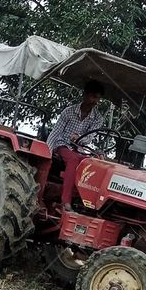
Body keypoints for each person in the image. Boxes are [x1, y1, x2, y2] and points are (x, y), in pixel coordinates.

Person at [47, 80, 108, 211]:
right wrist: (47, 151)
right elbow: (56, 132)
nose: (94, 101)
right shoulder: (68, 112)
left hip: (80, 149)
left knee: (93, 164)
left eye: (97, 98)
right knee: (73, 159)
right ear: (85, 95)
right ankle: (65, 201)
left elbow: (90, 138)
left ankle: (88, 204)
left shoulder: (98, 118)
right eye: (92, 96)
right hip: (62, 145)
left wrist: (80, 139)